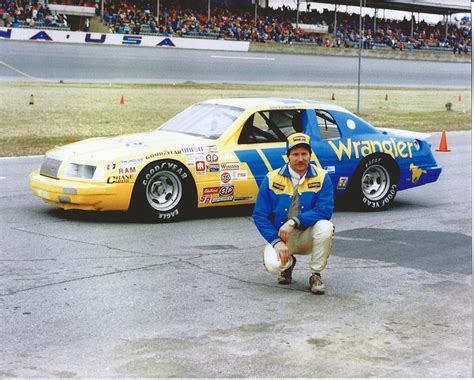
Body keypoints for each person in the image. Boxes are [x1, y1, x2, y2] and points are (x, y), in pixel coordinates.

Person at [253, 133, 335, 294]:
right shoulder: (271, 178)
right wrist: (276, 241)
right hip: (282, 238)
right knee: (273, 266)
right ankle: (288, 265)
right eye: (295, 154)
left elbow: (324, 210)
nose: (300, 159)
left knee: (326, 226)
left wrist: (294, 221)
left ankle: (315, 275)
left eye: (304, 154)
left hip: (307, 235)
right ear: (287, 156)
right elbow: (259, 216)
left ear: (310, 155)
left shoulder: (322, 177)